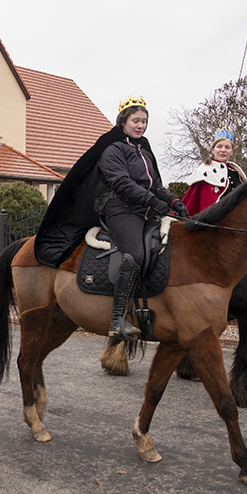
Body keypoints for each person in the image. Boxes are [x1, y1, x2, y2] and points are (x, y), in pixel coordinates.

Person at [34, 95, 187, 339]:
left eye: (144, 121)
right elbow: (123, 183)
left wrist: (173, 200)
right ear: (123, 122)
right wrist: (155, 202)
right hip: (120, 209)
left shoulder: (144, 150)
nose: (140, 126)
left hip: (145, 210)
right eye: (136, 121)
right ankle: (118, 320)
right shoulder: (112, 148)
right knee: (135, 254)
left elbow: (155, 184)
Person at [181, 128, 247, 213]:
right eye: (219, 146)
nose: (223, 150)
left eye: (227, 147)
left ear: (232, 152)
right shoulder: (205, 171)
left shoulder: (236, 172)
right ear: (213, 149)